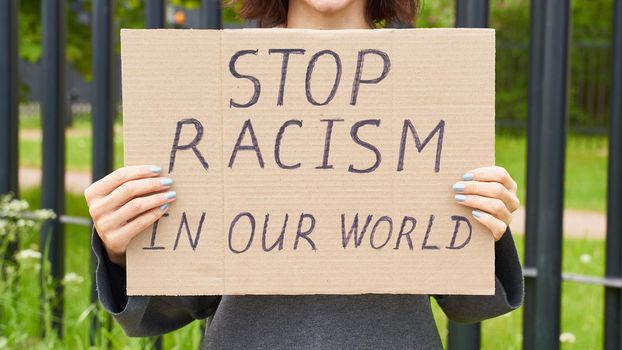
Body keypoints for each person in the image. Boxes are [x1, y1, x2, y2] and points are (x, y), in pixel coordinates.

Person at [85, 0, 524, 348]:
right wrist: (125, 250)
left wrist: (486, 224)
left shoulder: (433, 80)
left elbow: (468, 303)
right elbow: (176, 304)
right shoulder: (210, 77)